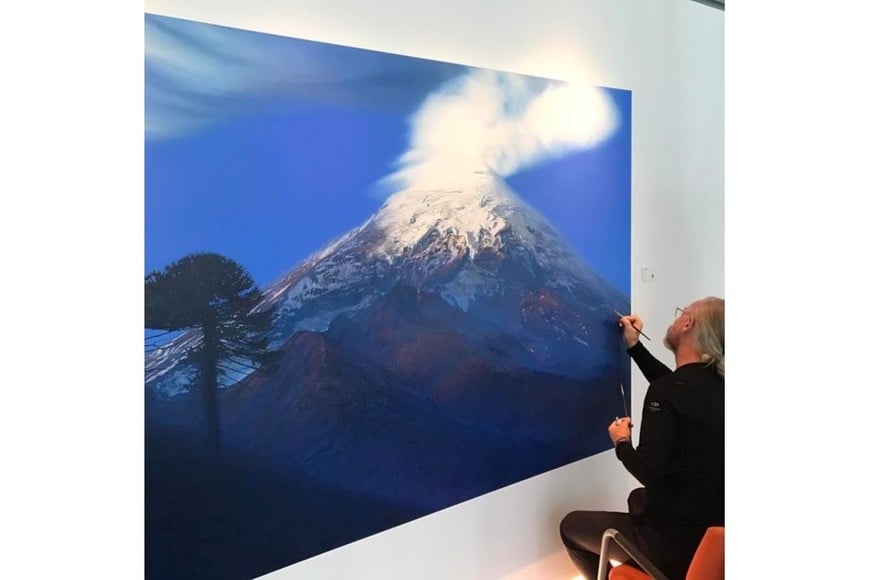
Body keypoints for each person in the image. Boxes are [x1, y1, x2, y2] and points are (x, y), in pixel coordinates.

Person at [560, 297, 724, 579]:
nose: (676, 318)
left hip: (672, 548)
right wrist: (634, 347)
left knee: (569, 527)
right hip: (709, 537)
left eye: (681, 312)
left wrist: (621, 442)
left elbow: (647, 471)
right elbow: (676, 390)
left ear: (688, 323)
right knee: (637, 498)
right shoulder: (717, 385)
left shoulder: (669, 391)